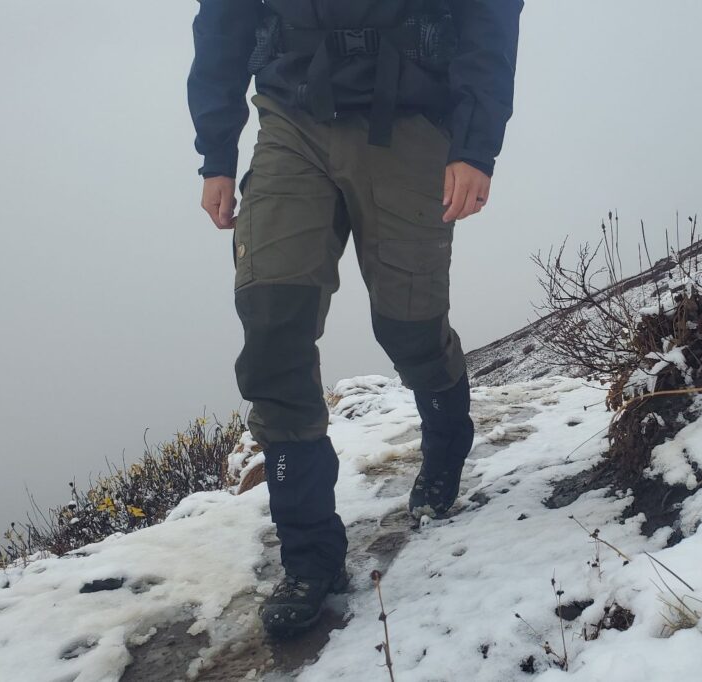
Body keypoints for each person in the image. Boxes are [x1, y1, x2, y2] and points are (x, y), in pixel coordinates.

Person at [187, 0, 523, 638]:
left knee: (409, 326)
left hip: (410, 117)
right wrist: (217, 153)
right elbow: (224, 17)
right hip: (292, 114)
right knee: (271, 325)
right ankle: (309, 555)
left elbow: (489, 14)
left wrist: (475, 144)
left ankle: (447, 437)